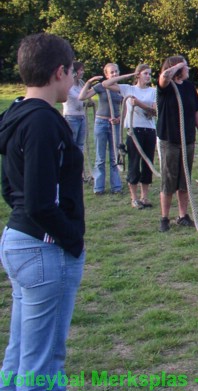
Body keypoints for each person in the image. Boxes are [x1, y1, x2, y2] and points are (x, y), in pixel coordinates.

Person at [0, 33, 85, 391]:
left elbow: (10, 188)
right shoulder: (43, 121)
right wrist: (71, 239)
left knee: (20, 354)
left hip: (20, 241)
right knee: (43, 364)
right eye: (72, 75)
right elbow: (37, 201)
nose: (74, 82)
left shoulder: (15, 112)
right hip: (43, 249)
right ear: (59, 71)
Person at [156, 56, 198, 232]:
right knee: (169, 181)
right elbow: (163, 77)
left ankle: (183, 216)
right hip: (170, 140)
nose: (189, 70)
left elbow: (196, 113)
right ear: (177, 69)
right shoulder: (166, 86)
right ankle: (164, 218)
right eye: (186, 67)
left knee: (185, 180)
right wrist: (177, 65)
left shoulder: (190, 87)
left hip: (188, 140)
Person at [102, 64, 158, 209]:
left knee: (147, 164)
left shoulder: (153, 91)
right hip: (134, 131)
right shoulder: (128, 89)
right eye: (145, 73)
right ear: (138, 75)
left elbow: (155, 112)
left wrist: (139, 104)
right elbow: (106, 84)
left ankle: (144, 197)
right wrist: (129, 75)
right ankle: (134, 198)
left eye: (149, 74)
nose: (148, 76)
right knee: (134, 163)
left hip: (150, 130)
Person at [78, 63, 123, 195]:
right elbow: (82, 97)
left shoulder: (121, 88)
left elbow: (126, 106)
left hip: (114, 123)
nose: (114, 74)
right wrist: (89, 82)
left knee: (115, 155)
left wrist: (119, 118)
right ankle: (99, 188)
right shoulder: (101, 86)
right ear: (106, 75)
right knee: (100, 157)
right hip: (101, 123)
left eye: (116, 71)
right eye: (111, 72)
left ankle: (116, 187)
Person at [62, 61, 88, 178]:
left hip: (82, 116)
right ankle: (69, 171)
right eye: (80, 70)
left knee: (80, 146)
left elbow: (84, 97)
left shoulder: (81, 83)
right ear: (75, 72)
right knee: (71, 145)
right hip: (71, 117)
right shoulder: (68, 84)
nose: (82, 72)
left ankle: (79, 172)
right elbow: (78, 97)